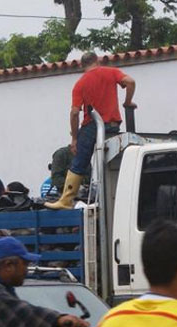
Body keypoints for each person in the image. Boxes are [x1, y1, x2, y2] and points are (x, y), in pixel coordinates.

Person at [47, 52, 135, 210]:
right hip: (112, 124)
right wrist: (127, 102)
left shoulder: (80, 84)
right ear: (97, 61)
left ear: (82, 66)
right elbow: (130, 82)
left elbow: (74, 113)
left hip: (91, 125)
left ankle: (66, 200)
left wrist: (74, 138)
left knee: (79, 161)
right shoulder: (111, 72)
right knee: (112, 160)